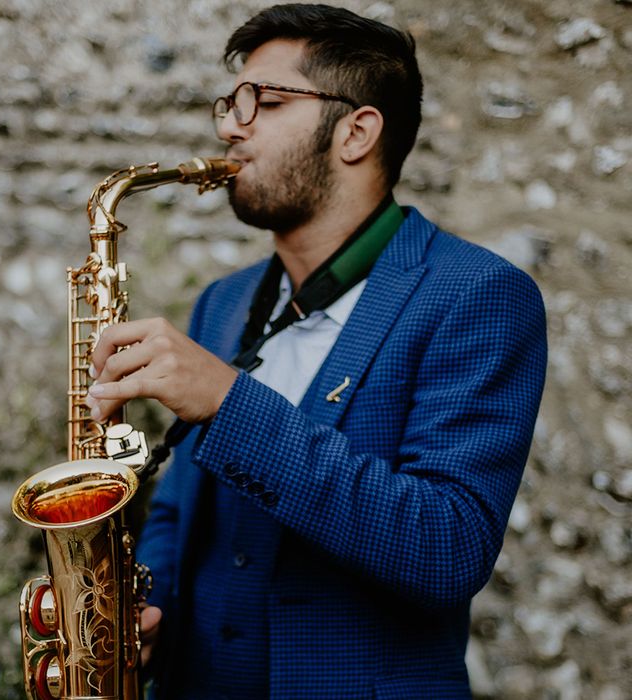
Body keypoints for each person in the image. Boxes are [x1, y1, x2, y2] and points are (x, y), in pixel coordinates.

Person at [85, 4, 548, 698]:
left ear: (357, 132)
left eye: (264, 102)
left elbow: (447, 550)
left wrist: (227, 401)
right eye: (230, 103)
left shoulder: (478, 296)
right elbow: (181, 507)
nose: (228, 127)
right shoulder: (224, 301)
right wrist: (148, 610)